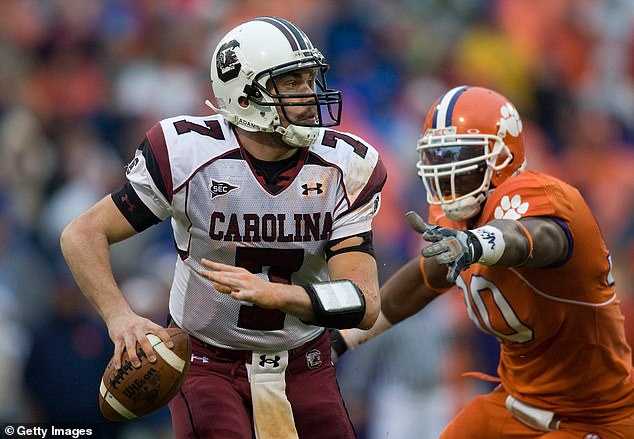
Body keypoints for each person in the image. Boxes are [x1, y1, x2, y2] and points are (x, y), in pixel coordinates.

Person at [60, 16, 386, 439]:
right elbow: (82, 234)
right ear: (245, 96)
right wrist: (119, 317)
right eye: (291, 84)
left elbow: (363, 302)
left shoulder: (346, 165)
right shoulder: (186, 153)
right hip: (206, 361)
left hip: (305, 360)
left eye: (311, 79)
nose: (310, 96)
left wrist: (278, 295)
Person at [330, 85, 634, 438]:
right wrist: (343, 338)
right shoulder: (457, 220)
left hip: (594, 416)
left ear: (502, 157)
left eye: (460, 156)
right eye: (439, 157)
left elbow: (534, 237)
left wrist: (477, 243)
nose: (449, 172)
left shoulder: (534, 195)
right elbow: (420, 281)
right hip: (511, 404)